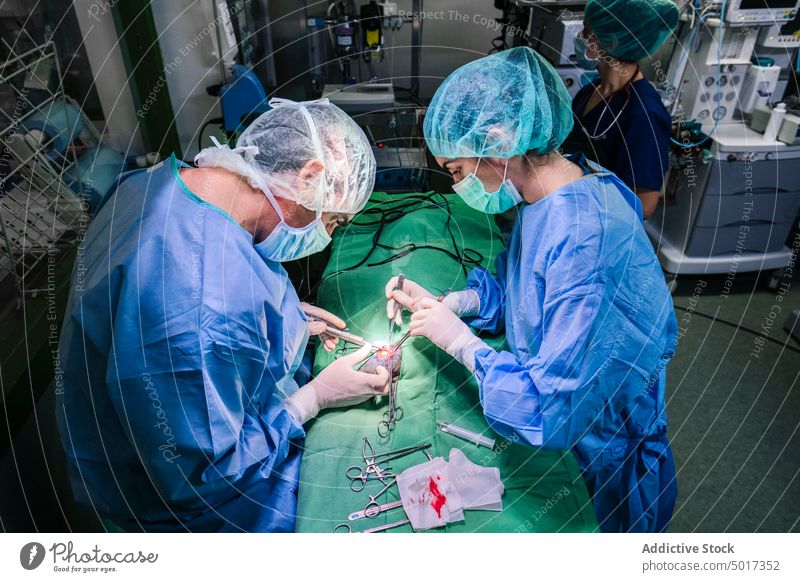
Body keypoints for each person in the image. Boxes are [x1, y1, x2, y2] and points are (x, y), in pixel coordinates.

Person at [57, 98, 389, 532]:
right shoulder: (201, 304)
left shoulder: (153, 184)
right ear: (309, 178)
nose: (328, 234)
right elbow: (205, 475)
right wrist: (314, 397)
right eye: (335, 221)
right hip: (182, 512)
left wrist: (280, 317)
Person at [387, 47, 678, 532]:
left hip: (599, 450)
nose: (457, 184)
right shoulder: (549, 196)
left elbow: (550, 405)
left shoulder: (582, 238)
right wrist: (458, 304)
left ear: (498, 142)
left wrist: (462, 344)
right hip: (578, 426)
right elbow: (527, 295)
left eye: (457, 170)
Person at [560, 0, 679, 219]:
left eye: (587, 31)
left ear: (611, 43)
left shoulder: (644, 115)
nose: (581, 38)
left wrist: (587, 213)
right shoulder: (592, 90)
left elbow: (644, 205)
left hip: (597, 227)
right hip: (568, 209)